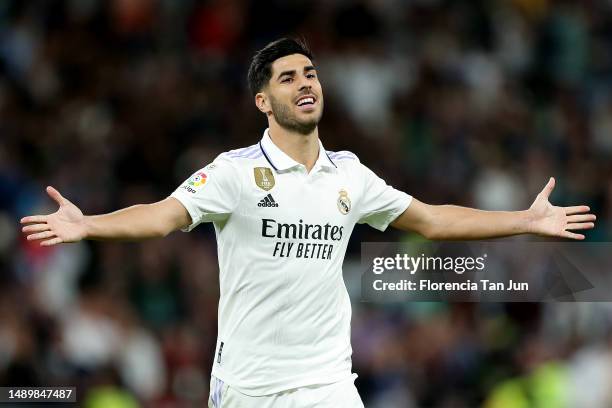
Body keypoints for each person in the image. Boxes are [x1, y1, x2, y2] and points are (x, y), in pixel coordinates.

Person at [20, 38, 596, 407]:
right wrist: (89, 225)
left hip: (326, 382)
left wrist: (523, 220)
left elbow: (433, 220)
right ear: (263, 102)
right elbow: (163, 216)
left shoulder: (350, 175)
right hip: (249, 385)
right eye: (289, 77)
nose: (306, 82)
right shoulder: (233, 173)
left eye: (311, 73)